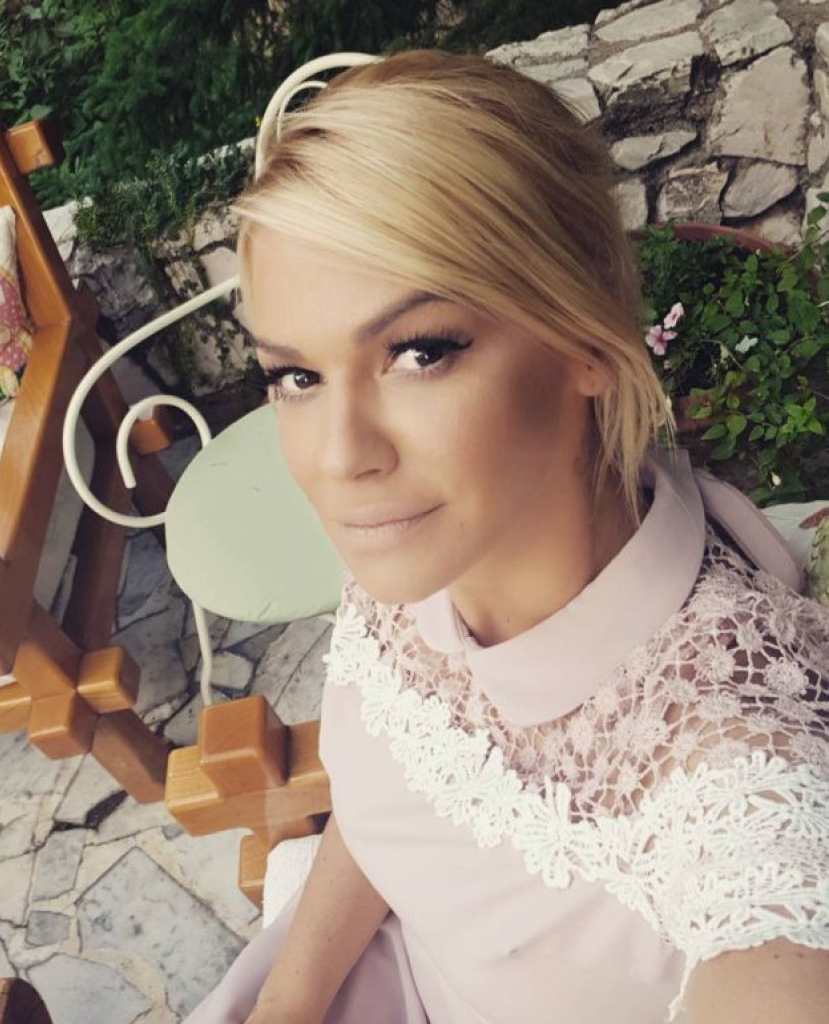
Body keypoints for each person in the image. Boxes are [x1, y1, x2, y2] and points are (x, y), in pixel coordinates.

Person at [182, 49, 829, 1024]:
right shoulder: (427, 549)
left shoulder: (737, 769)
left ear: (585, 340)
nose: (341, 457)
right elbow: (398, 792)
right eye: (296, 377)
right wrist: (287, 1001)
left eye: (418, 352)